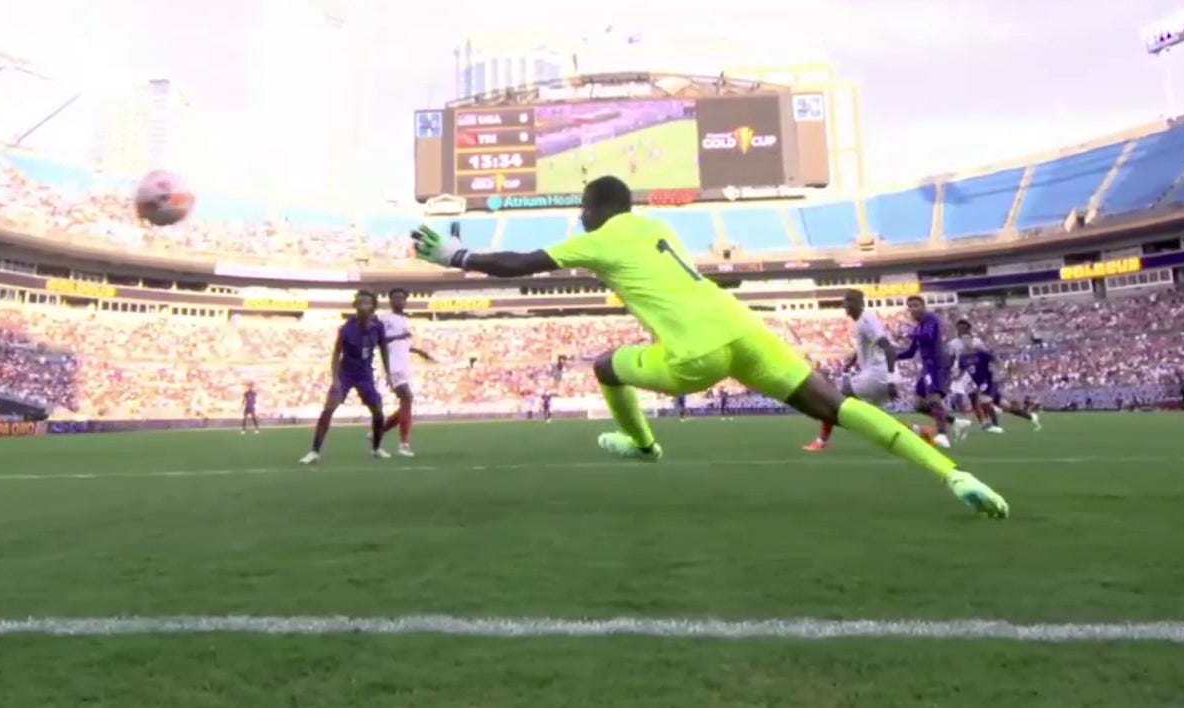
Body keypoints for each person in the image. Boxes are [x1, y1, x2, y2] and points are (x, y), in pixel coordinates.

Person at [412, 176, 1009, 518]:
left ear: (595, 209)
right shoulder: (659, 228)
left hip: (697, 353)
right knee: (839, 408)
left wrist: (457, 257)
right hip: (745, 332)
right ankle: (951, 473)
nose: (581, 217)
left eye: (583, 209)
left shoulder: (601, 235)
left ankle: (644, 445)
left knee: (604, 367)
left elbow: (521, 263)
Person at [301, 291, 392, 464]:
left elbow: (384, 349)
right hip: (346, 373)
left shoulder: (378, 327)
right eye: (360, 302)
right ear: (355, 306)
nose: (363, 305)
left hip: (365, 373)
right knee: (329, 408)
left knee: (378, 411)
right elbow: (336, 354)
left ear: (373, 306)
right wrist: (335, 379)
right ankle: (314, 451)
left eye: (367, 302)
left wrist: (388, 372)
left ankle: (376, 448)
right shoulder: (347, 328)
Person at [804, 289, 900, 452]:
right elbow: (871, 344)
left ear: (861, 303)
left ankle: (822, 442)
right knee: (875, 419)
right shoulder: (862, 322)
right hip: (877, 375)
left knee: (833, 400)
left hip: (879, 375)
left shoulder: (866, 320)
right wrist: (853, 360)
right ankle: (919, 431)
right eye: (845, 300)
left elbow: (888, 348)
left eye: (850, 300)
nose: (846, 304)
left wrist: (890, 380)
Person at [897, 296, 970, 448]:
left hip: (937, 364)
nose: (912, 309)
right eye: (910, 306)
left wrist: (907, 333)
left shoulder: (930, 319)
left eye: (916, 305)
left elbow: (928, 336)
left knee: (934, 399)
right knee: (918, 404)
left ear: (923, 306)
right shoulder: (918, 327)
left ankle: (943, 435)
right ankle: (955, 422)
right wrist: (891, 356)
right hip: (927, 367)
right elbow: (910, 352)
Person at [376, 287, 433, 457]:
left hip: (403, 365)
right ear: (390, 300)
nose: (399, 301)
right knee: (407, 398)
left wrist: (419, 352)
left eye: (402, 298)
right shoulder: (385, 319)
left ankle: (378, 432)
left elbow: (403, 345)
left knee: (406, 402)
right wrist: (400, 337)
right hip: (391, 365)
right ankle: (403, 444)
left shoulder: (404, 320)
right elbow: (380, 340)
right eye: (395, 298)